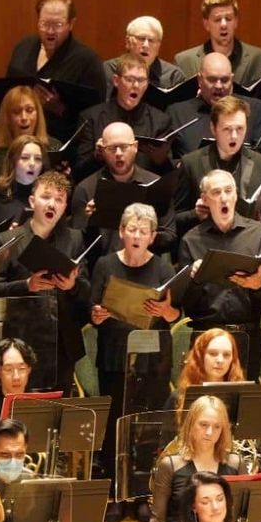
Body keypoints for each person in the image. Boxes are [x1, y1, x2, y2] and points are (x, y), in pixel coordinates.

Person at [88, 203, 180, 478]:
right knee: (115, 422)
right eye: (132, 229)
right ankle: (115, 484)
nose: (137, 236)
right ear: (121, 232)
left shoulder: (163, 268)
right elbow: (92, 309)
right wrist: (97, 314)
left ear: (152, 237)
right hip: (114, 356)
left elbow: (176, 314)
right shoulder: (105, 264)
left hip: (153, 359)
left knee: (149, 422)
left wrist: (165, 311)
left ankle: (143, 486)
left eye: (143, 231)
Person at [0, 171, 91, 394]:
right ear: (32, 201)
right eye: (46, 197)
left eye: (59, 199)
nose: (52, 204)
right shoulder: (8, 240)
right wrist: (26, 285)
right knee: (20, 407)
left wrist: (72, 286)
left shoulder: (74, 239)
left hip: (62, 343)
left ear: (65, 207)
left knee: (58, 407)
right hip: (21, 341)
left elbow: (86, 290)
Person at [140, 395, 245, 522]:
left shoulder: (235, 463)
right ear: (191, 424)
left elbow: (240, 517)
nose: (209, 432)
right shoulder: (171, 465)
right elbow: (157, 520)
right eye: (203, 425)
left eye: (217, 427)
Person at [178, 168, 261, 380]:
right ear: (205, 199)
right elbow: (186, 303)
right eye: (216, 192)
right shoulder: (191, 240)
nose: (223, 198)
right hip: (206, 335)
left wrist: (257, 284)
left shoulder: (258, 233)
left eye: (228, 191)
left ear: (236, 195)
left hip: (246, 335)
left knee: (244, 400)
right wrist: (195, 280)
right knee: (205, 398)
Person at [5, 0, 106, 139]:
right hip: (17, 137)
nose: (50, 31)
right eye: (44, 24)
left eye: (58, 25)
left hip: (61, 140)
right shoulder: (23, 47)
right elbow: (8, 91)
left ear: (71, 24)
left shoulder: (87, 60)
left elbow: (96, 116)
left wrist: (60, 109)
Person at [173, 95, 261, 233]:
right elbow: (175, 219)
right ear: (213, 129)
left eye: (240, 129)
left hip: (248, 241)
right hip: (206, 241)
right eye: (227, 129)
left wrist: (260, 226)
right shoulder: (191, 163)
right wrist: (195, 214)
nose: (234, 136)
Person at [71, 121, 178, 256]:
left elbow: (170, 236)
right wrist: (90, 222)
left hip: (145, 264)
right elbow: (77, 244)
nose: (118, 153)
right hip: (102, 265)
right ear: (102, 151)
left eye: (124, 147)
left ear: (135, 147)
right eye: (111, 148)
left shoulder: (156, 184)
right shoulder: (85, 188)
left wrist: (144, 235)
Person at [74, 54, 171, 182]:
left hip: (143, 188)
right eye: (129, 79)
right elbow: (79, 172)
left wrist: (161, 161)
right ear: (116, 81)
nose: (136, 85)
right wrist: (96, 156)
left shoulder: (160, 121)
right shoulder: (91, 118)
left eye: (141, 80)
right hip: (103, 187)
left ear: (147, 84)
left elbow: (168, 176)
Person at [165, 52, 261, 160]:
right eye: (212, 79)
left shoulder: (255, 109)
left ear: (232, 79)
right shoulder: (177, 113)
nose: (218, 86)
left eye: (224, 80)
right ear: (200, 80)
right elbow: (169, 161)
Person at [174, 0, 261, 88]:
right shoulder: (184, 62)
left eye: (228, 18)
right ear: (206, 24)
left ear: (236, 21)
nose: (224, 25)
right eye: (217, 19)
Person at [0, 87, 59, 188]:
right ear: (7, 117)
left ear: (38, 114)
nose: (24, 117)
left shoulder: (54, 147)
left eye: (29, 110)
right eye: (16, 112)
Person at [103, 16, 187, 91]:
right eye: (141, 38)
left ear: (159, 46)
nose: (146, 45)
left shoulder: (173, 76)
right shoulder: (110, 69)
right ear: (128, 42)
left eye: (151, 40)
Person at [172, 328, 246, 411]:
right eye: (213, 353)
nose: (220, 360)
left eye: (226, 355)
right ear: (200, 356)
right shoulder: (178, 397)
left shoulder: (243, 396)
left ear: (233, 359)